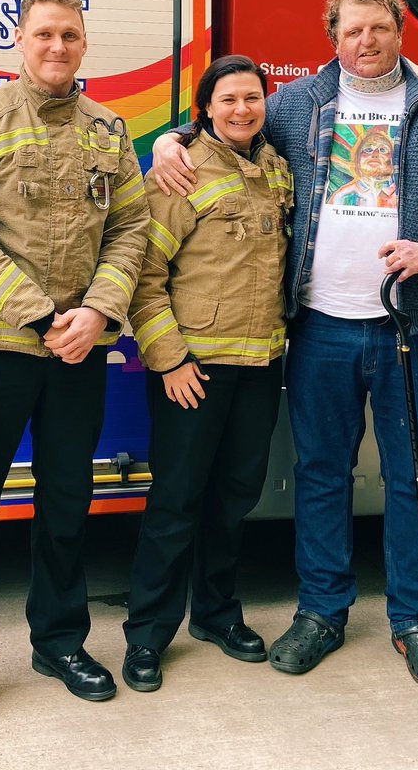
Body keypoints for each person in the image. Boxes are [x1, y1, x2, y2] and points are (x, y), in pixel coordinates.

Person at [153, 0, 418, 688]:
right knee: (321, 475)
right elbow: (229, 137)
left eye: (380, 28)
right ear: (332, 37)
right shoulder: (295, 104)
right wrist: (172, 138)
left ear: (401, 30)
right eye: (353, 31)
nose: (367, 42)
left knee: (414, 476)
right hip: (320, 326)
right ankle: (321, 612)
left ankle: (417, 619)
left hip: (414, 325)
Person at [0, 0, 149, 747]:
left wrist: (97, 311)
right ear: (20, 42)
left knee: (65, 504)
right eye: (45, 34)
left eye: (71, 36)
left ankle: (59, 641)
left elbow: (131, 229)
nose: (58, 47)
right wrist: (44, 313)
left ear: (85, 45)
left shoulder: (109, 130)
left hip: (79, 346)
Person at [121, 56, 293, 692]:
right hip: (191, 371)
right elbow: (144, 274)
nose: (243, 109)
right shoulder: (179, 171)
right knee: (176, 504)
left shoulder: (277, 169)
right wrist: (168, 358)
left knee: (235, 499)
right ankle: (147, 634)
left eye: (253, 98)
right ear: (206, 107)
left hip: (258, 365)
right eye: (229, 100)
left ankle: (217, 615)